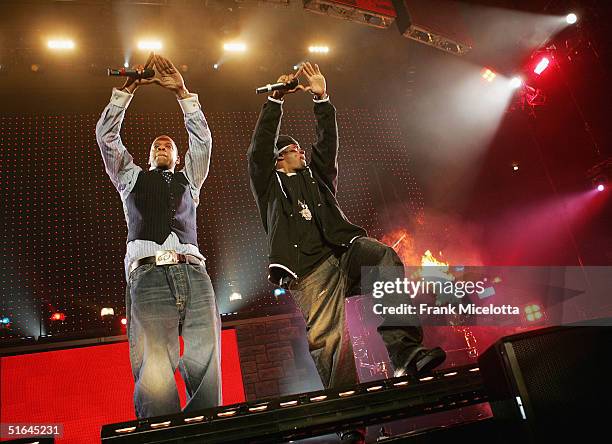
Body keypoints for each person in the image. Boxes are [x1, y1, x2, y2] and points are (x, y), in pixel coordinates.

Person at [247, 62, 446, 443]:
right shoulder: (268, 186)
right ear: (278, 159)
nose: (301, 152)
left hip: (344, 251)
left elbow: (327, 144)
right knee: (330, 339)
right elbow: (258, 150)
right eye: (293, 150)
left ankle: (404, 356)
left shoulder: (317, 176)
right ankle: (347, 418)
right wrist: (275, 99)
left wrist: (322, 98)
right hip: (308, 269)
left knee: (383, 257)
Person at [95, 53, 221, 419]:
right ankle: (164, 432)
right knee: (154, 364)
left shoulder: (190, 180)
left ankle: (206, 431)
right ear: (148, 156)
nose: (161, 147)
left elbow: (203, 142)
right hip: (148, 274)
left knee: (206, 357)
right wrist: (127, 89)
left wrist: (182, 92)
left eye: (168, 145)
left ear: (178, 157)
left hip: (193, 273)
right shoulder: (131, 178)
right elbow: (107, 137)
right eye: (155, 146)